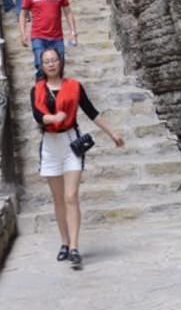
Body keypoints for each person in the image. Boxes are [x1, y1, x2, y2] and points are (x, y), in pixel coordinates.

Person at [31, 47, 124, 268]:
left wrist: (112, 133)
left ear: (60, 62)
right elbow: (37, 115)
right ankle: (63, 243)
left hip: (70, 143)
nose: (51, 64)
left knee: (70, 196)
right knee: (58, 199)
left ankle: (74, 246)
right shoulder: (37, 90)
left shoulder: (74, 87)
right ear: (42, 66)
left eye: (54, 60)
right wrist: (54, 118)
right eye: (47, 61)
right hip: (50, 146)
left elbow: (91, 112)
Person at [19, 0, 77, 77]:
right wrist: (23, 33)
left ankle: (58, 93)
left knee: (59, 68)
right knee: (41, 67)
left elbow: (68, 12)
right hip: (38, 37)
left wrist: (73, 32)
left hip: (57, 37)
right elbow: (23, 14)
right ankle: (40, 92)